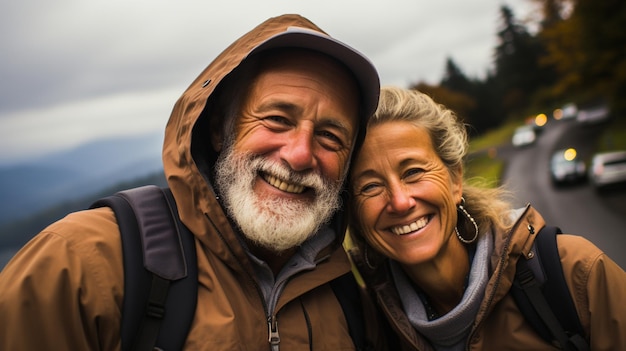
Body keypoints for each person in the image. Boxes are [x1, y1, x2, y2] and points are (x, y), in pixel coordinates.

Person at [0, 14, 385, 350]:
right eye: (277, 120)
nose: (300, 154)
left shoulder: (350, 295)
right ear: (219, 129)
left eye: (330, 138)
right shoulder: (80, 264)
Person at [346, 86, 626, 350]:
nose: (400, 201)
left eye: (413, 172)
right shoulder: (367, 328)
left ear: (455, 179)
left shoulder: (576, 272)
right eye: (370, 187)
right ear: (353, 215)